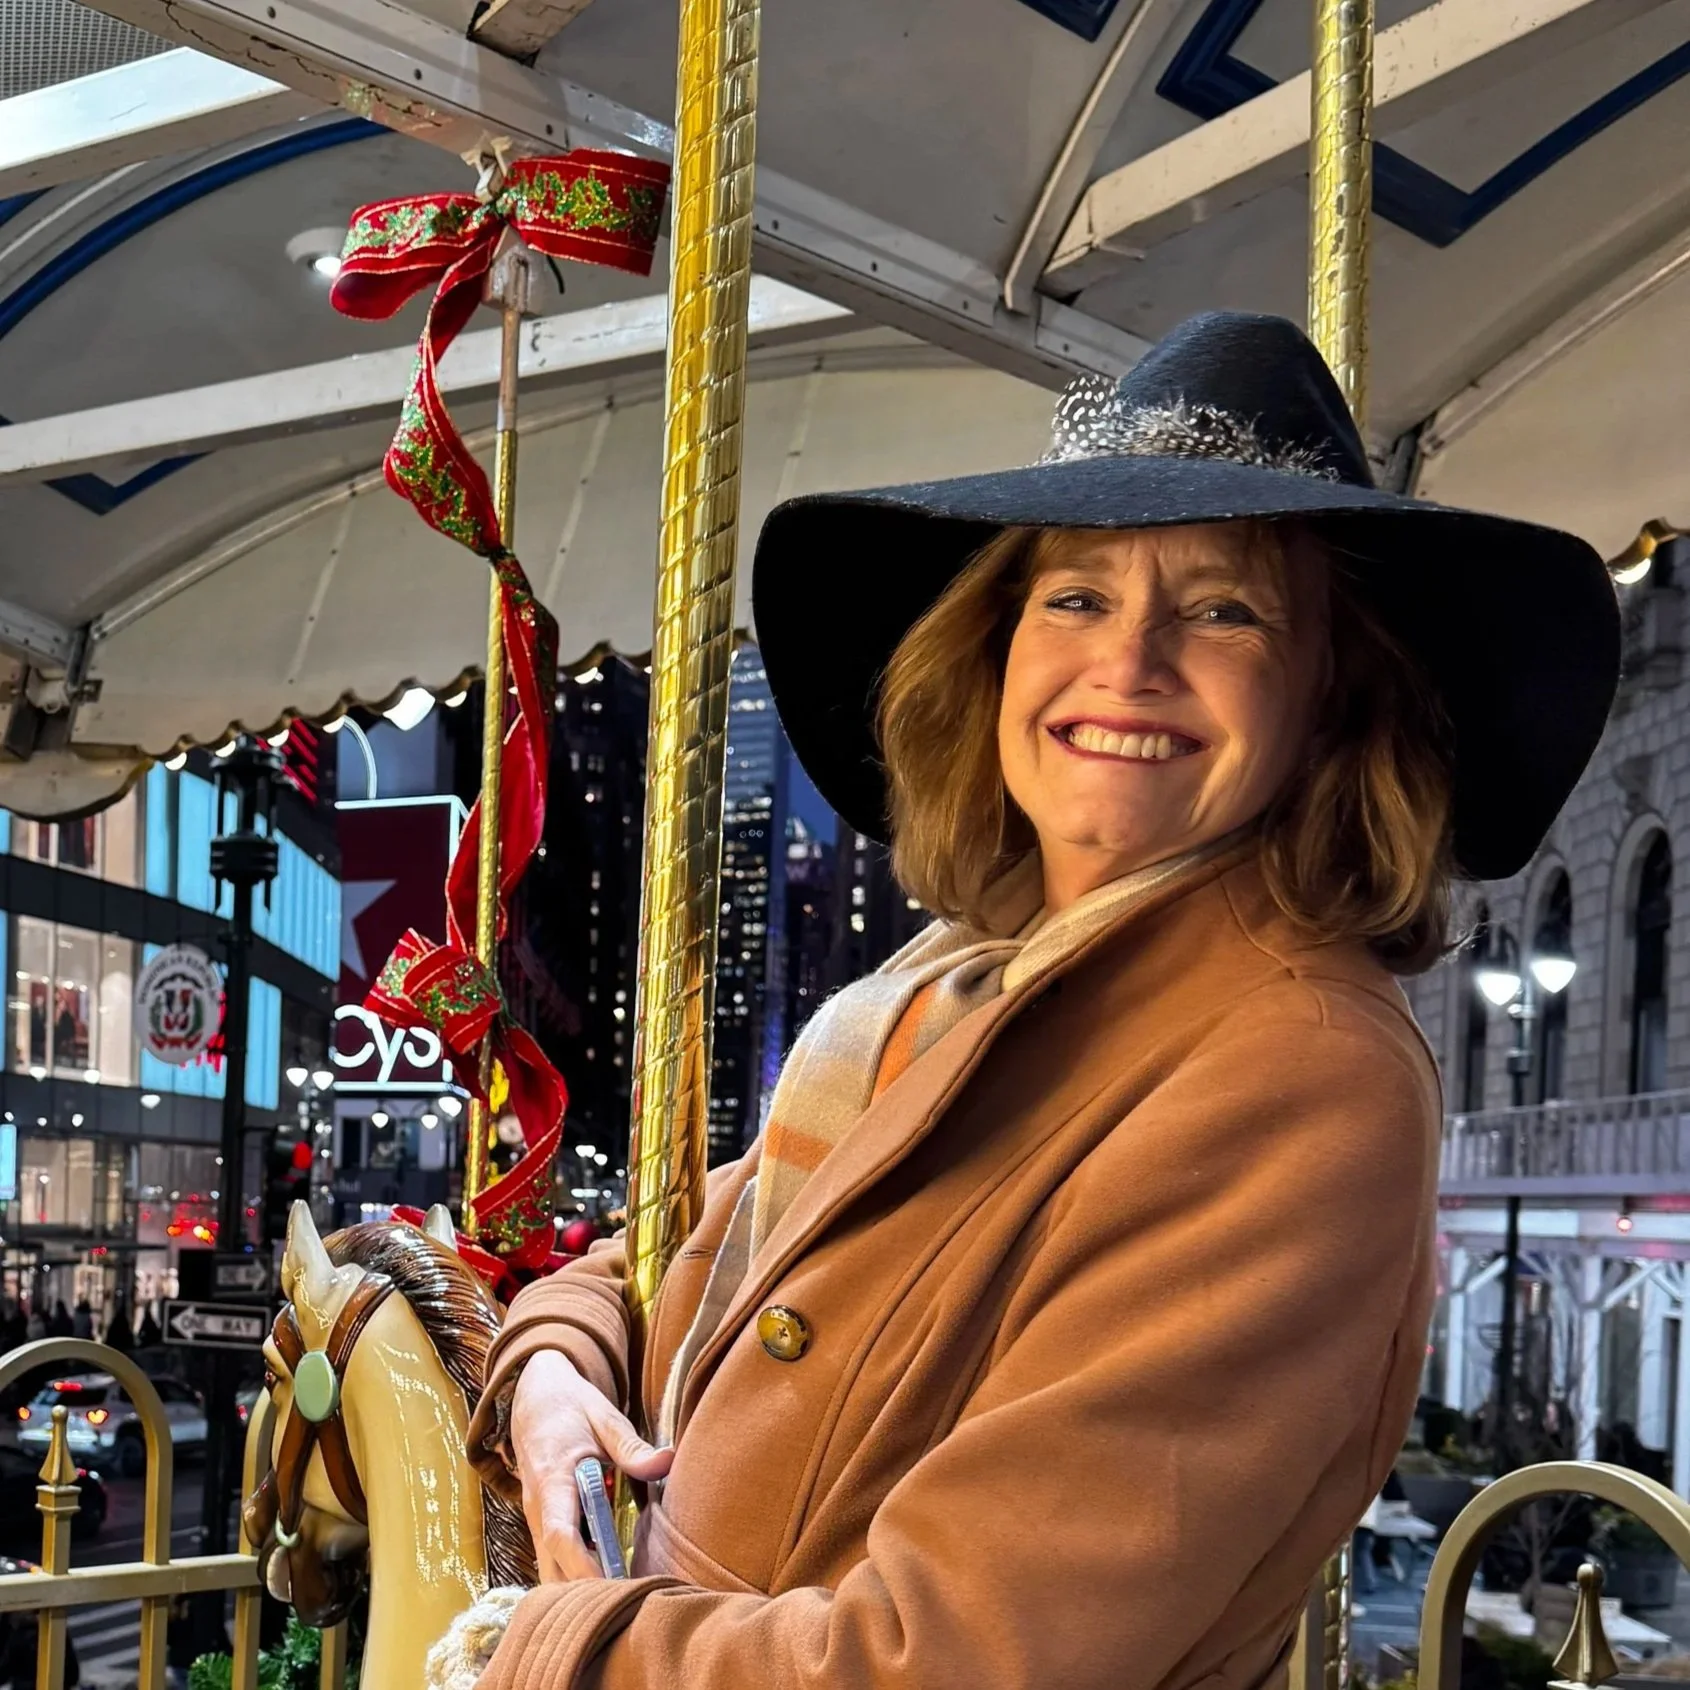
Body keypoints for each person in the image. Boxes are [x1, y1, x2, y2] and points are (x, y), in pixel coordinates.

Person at [460, 312, 1619, 1690]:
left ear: (1330, 695)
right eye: (1075, 595)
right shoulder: (954, 974)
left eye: (1221, 607)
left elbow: (949, 1654)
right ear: (995, 649)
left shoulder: (1298, 1065)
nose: (1128, 662)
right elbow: (695, 1258)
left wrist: (525, 1651)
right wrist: (552, 1370)